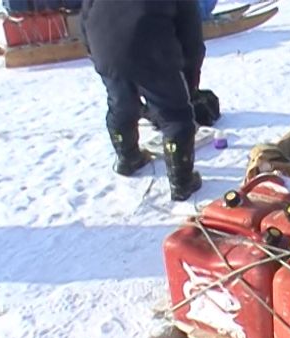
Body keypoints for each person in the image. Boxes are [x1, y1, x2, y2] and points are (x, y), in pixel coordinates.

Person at [81, 0, 204, 201]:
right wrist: (189, 86)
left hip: (104, 47)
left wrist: (95, 53)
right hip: (151, 52)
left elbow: (85, 16)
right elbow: (191, 39)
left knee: (121, 105)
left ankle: (127, 158)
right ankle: (182, 182)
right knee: (175, 117)